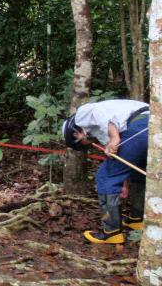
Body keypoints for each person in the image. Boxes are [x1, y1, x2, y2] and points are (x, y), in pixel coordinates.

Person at [61, 99, 148, 244]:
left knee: (105, 177)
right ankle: (136, 220)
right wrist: (124, 185)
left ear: (75, 133)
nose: (85, 144)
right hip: (150, 125)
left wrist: (114, 138)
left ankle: (111, 232)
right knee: (136, 171)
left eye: (79, 142)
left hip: (139, 125)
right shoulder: (102, 131)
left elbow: (99, 113)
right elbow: (124, 163)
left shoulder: (81, 116)